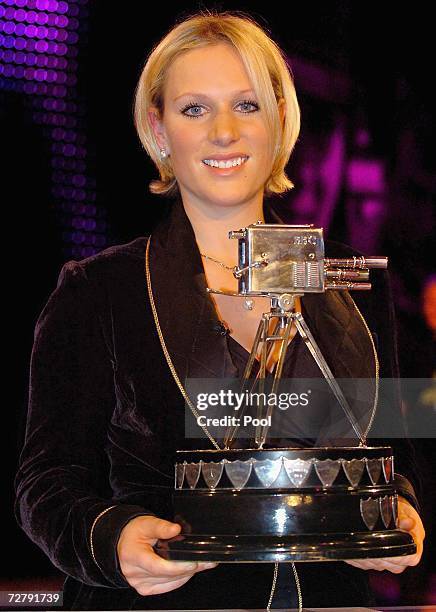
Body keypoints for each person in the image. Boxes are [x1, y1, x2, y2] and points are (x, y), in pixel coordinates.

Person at [15, 11, 425, 611]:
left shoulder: (354, 283)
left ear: (281, 117)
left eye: (247, 105)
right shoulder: (98, 290)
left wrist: (401, 514)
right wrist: (113, 539)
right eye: (194, 109)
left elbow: (397, 453)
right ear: (159, 131)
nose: (224, 131)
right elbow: (45, 485)